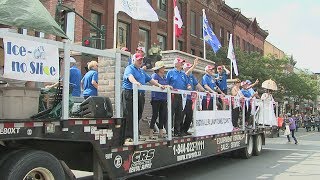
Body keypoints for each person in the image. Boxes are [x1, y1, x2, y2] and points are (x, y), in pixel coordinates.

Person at [122, 53, 165, 143]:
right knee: (129, 114)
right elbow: (130, 76)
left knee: (138, 114)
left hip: (140, 95)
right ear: (133, 60)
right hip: (130, 93)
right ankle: (128, 136)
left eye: (141, 60)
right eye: (138, 60)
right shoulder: (129, 68)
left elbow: (150, 80)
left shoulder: (141, 71)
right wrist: (135, 82)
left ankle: (135, 134)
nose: (140, 61)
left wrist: (159, 85)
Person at [166, 57, 191, 137]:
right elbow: (166, 83)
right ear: (176, 64)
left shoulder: (183, 74)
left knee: (179, 114)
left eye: (182, 63)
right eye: (180, 63)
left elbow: (187, 84)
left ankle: (177, 131)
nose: (182, 64)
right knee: (171, 113)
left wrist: (189, 86)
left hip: (182, 96)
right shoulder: (170, 72)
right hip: (173, 95)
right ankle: (168, 131)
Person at [182, 59, 206, 135]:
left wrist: (204, 91)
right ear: (184, 68)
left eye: (190, 67)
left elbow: (197, 85)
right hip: (183, 98)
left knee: (189, 115)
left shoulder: (192, 76)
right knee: (182, 115)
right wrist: (194, 65)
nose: (190, 69)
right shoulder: (183, 74)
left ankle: (185, 130)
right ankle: (179, 130)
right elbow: (187, 73)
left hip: (190, 99)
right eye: (188, 67)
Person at [149, 61, 169, 139]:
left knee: (162, 115)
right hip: (156, 98)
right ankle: (150, 133)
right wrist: (167, 86)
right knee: (155, 115)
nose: (164, 69)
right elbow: (155, 85)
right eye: (163, 67)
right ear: (159, 68)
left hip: (163, 99)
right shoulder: (155, 75)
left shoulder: (164, 77)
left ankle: (161, 133)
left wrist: (167, 86)